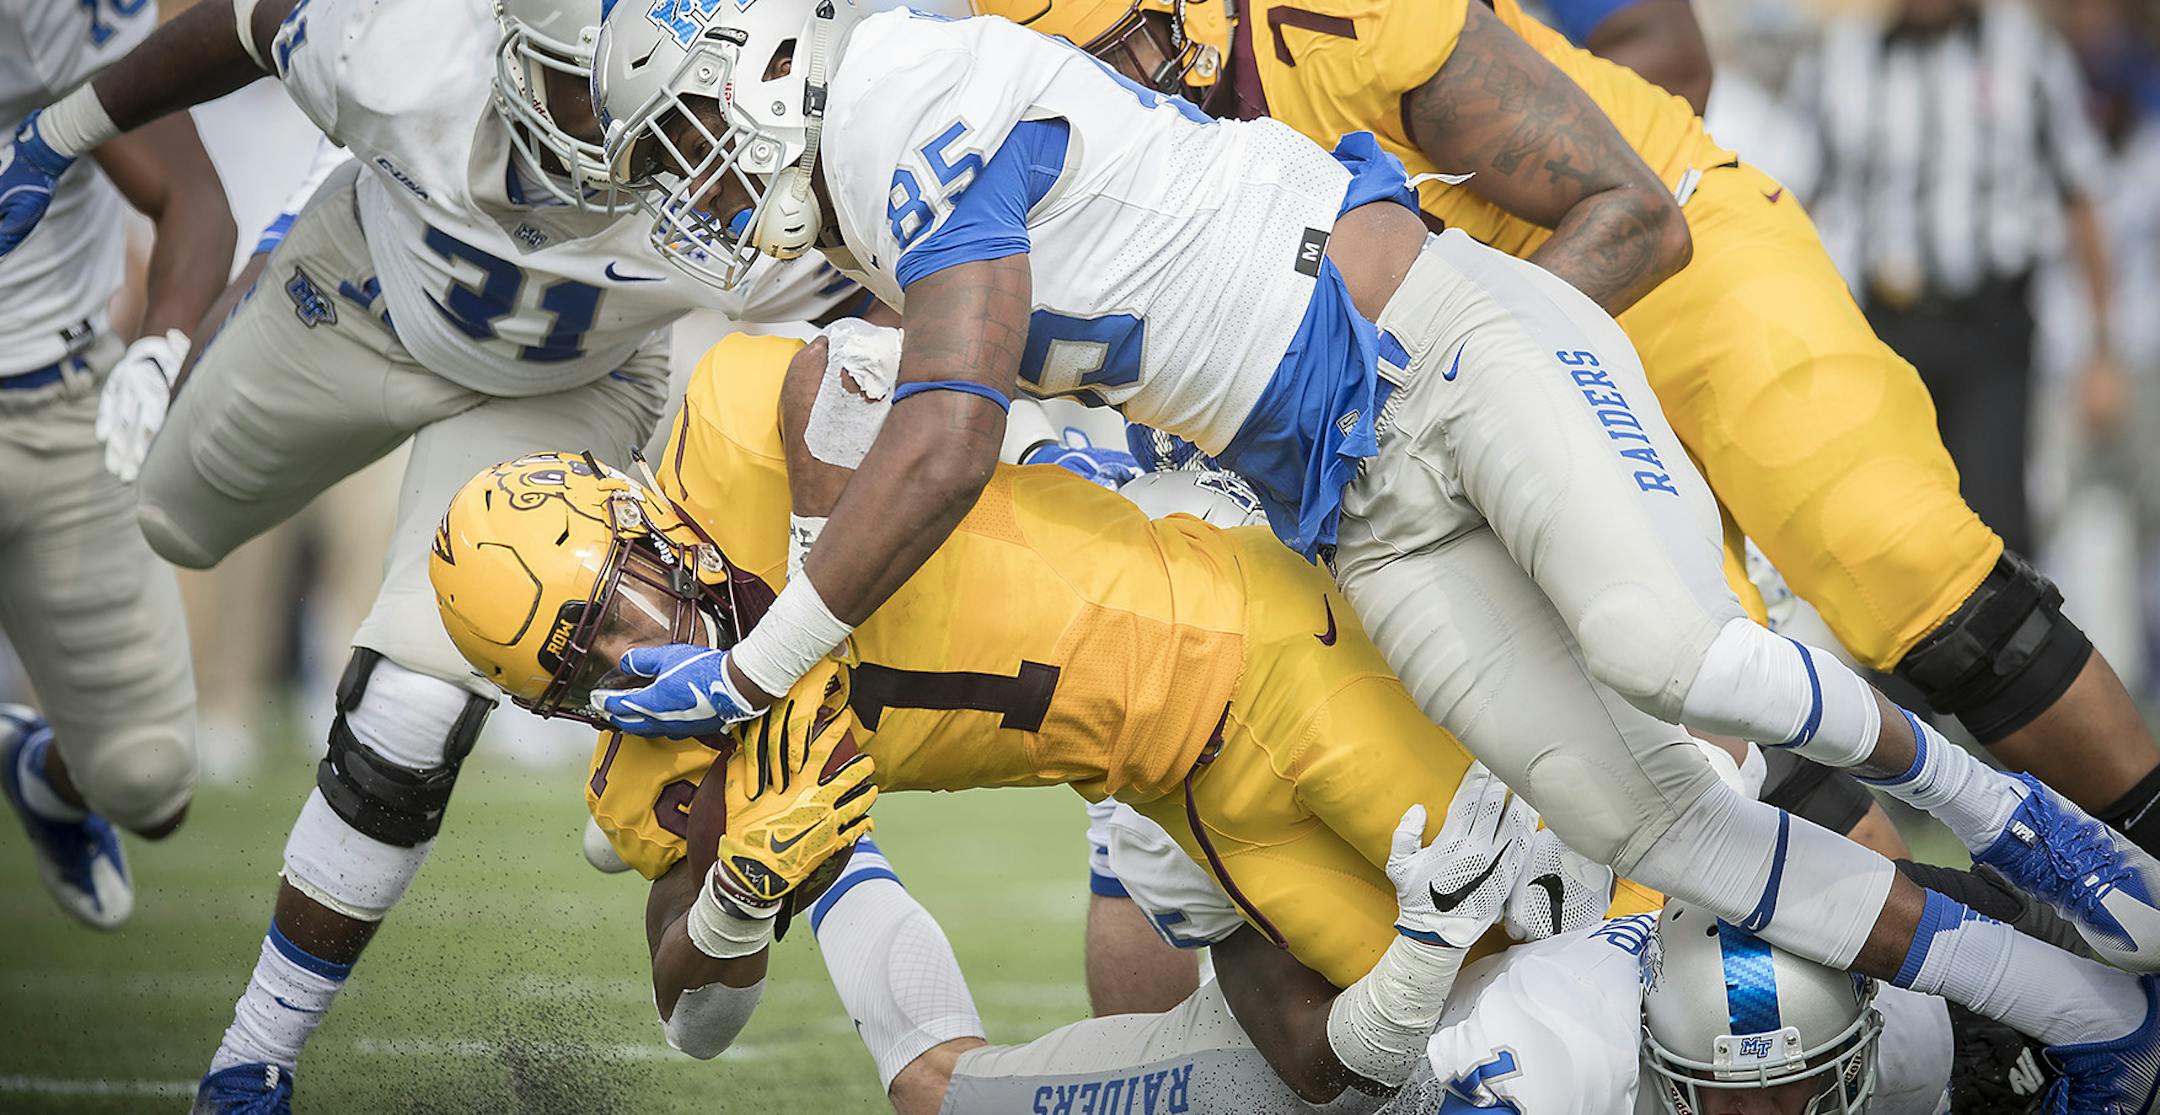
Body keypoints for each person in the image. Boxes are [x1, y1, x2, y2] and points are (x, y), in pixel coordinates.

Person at [583, 4, 2160, 1103]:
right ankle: (2088, 1020)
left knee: (1671, 658)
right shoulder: (893, 176)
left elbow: (944, 439)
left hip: (1450, 345)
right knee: (1663, 830)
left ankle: (2032, 829)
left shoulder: (926, 101)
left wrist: (753, 660)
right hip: (1346, 493)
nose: (1133, 76)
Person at [996, 0, 2160, 869]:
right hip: (1484, 359)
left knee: (1899, 561)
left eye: (1112, 61)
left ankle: (2140, 834)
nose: (1104, 101)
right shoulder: (1096, 174)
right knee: (1713, 744)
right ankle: (1996, 1005)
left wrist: (1441, 386)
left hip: (1669, 268)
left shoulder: (1326, 21)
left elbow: (1635, 214)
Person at [0, 1, 873, 1108]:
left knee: (416, 702)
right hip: (362, 289)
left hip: (564, 384)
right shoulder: (403, 52)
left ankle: (252, 1055)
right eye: (590, 89)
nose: (624, 132)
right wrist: (58, 131)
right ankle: (58, 766)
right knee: (167, 515)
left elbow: (908, 299)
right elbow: (241, 22)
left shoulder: (725, 160)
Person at [430, 328, 1566, 1092]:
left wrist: (787, 647)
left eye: (610, 610)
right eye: (578, 674)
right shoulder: (654, 759)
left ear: (637, 520)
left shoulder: (736, 425)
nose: (630, 663)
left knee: (1572, 918)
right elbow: (695, 1021)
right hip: (1177, 788)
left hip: (1242, 625)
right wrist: (737, 900)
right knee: (1370, 1060)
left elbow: (863, 394)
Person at [0, 0, 232, 929]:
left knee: (149, 779)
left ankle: (43, 770)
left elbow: (193, 197)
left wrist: (158, 348)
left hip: (65, 403)